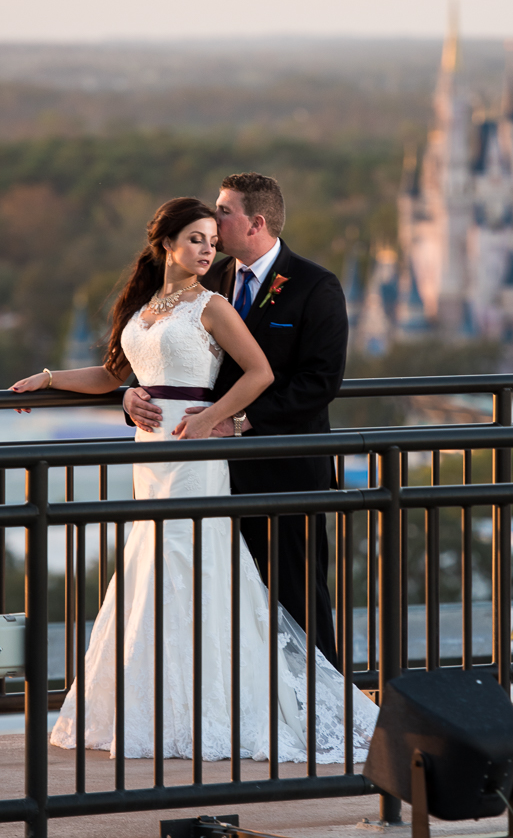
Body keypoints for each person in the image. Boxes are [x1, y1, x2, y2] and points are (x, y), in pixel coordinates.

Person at [11, 196, 378, 761]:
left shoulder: (214, 304)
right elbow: (113, 372)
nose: (208, 249)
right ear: (166, 244)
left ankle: (215, 707)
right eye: (196, 239)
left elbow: (261, 372)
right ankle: (153, 705)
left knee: (190, 564)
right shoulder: (146, 304)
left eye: (213, 238)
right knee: (148, 569)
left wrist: (211, 419)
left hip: (194, 452)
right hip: (149, 456)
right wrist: (49, 379)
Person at [124, 173, 348, 669]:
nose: (214, 217)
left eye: (224, 211)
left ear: (256, 222)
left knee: (296, 595)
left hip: (286, 470)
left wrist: (241, 422)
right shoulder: (211, 280)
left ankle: (319, 703)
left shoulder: (315, 285)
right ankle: (249, 702)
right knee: (228, 596)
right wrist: (131, 397)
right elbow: (175, 363)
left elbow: (320, 381)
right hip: (214, 471)